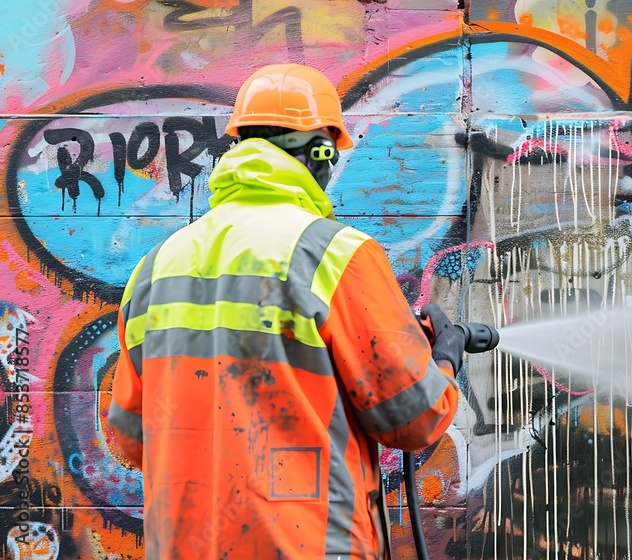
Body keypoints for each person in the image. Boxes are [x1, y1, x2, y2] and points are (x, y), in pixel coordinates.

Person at [107, 63, 466, 560]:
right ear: (321, 152)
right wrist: (445, 358)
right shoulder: (336, 254)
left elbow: (130, 440)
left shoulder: (156, 267)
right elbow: (413, 419)